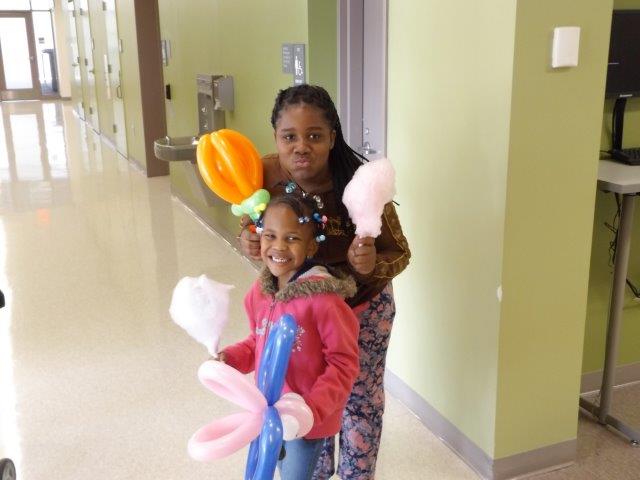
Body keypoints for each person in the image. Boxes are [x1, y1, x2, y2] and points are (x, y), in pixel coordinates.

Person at [238, 84, 411, 479]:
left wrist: (370, 265)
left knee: (358, 401)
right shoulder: (265, 175)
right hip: (301, 315)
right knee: (304, 399)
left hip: (363, 310)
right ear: (276, 138)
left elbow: (400, 252)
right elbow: (254, 222)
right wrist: (248, 236)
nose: (301, 147)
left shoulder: (360, 184)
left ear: (332, 137)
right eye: (289, 137)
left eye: (314, 136)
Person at [221, 194, 361, 480]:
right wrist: (229, 359)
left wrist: (311, 409)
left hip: (304, 420)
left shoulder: (325, 301)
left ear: (311, 246)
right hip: (268, 410)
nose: (279, 246)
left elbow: (344, 363)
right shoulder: (260, 292)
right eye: (270, 236)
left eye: (292, 238)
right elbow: (257, 342)